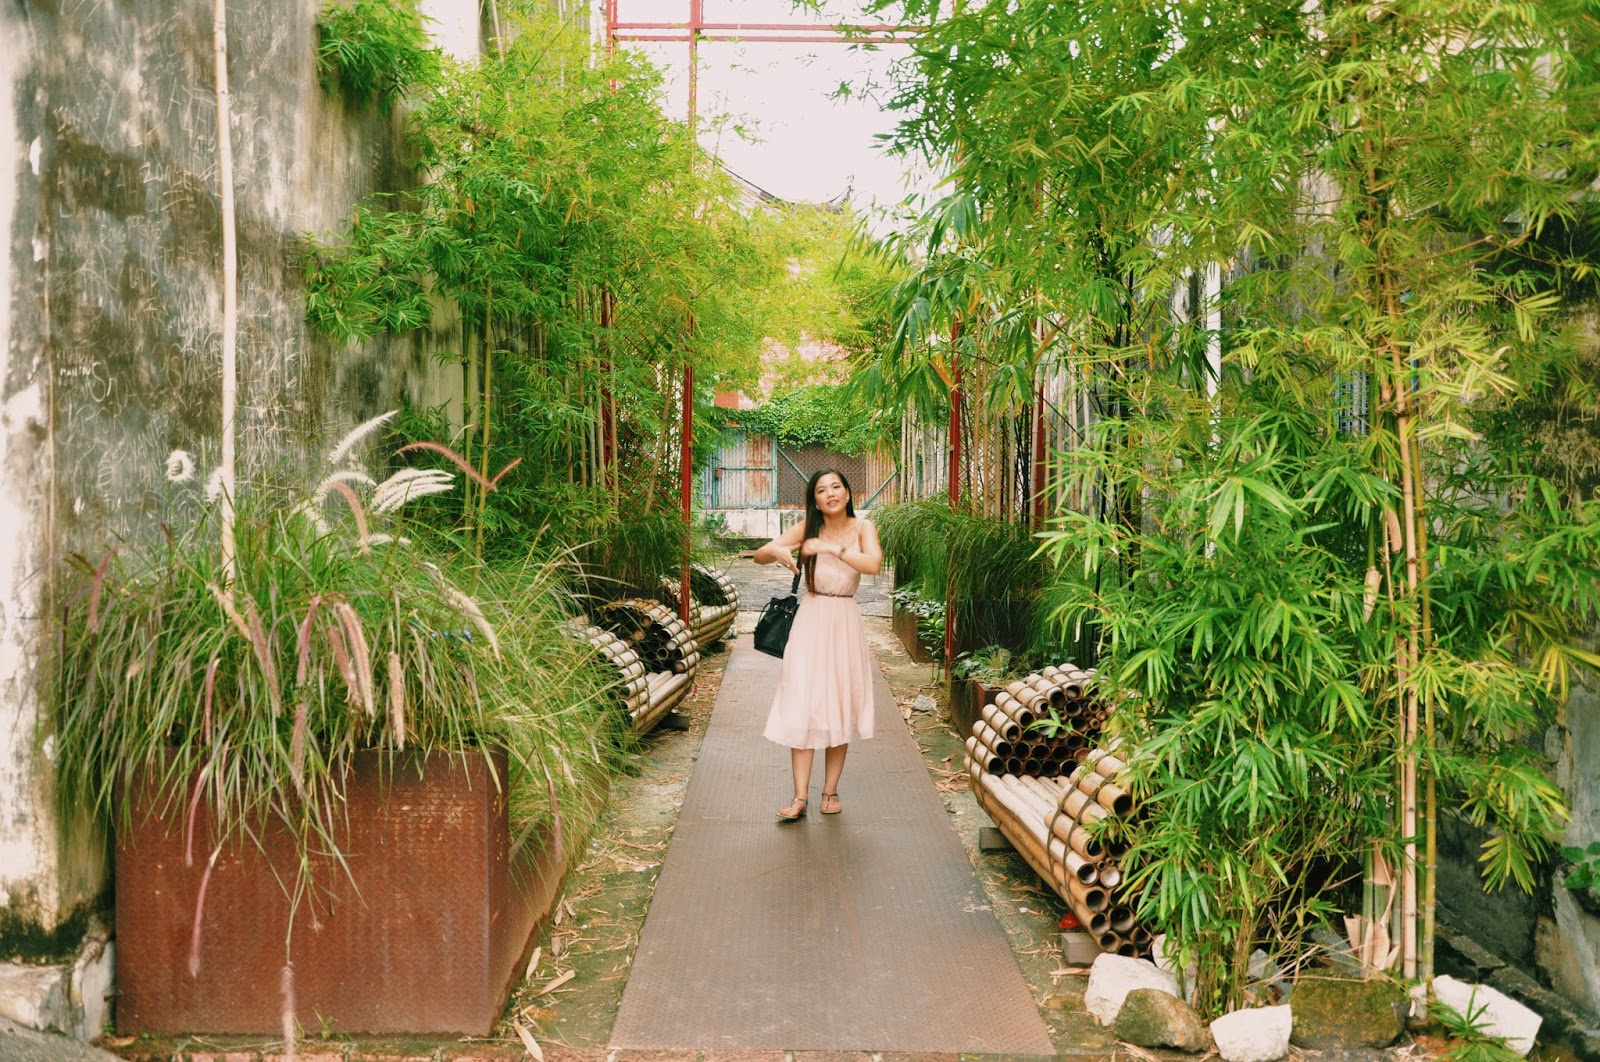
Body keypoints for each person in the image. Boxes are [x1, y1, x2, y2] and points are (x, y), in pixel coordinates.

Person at [752, 468, 883, 822]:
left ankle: (830, 791)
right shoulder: (808, 527)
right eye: (822, 490)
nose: (830, 494)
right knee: (802, 702)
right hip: (810, 619)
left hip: (844, 620)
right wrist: (776, 551)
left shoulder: (863, 528)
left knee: (839, 703)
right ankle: (799, 797)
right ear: (815, 500)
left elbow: (873, 563)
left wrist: (831, 548)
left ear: (848, 493)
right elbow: (759, 555)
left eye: (836, 487)